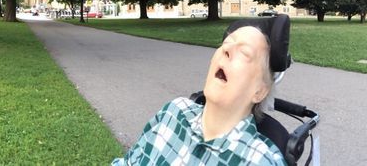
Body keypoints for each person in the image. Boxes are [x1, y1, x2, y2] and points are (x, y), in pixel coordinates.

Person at [114, 15, 292, 165]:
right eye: (226, 43)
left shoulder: (259, 160)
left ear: (260, 91)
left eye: (244, 53)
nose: (227, 49)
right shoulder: (174, 112)